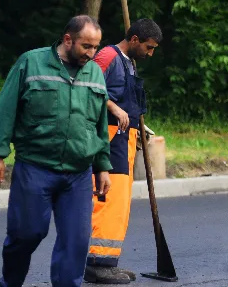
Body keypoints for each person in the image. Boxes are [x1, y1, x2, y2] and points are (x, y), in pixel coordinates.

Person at [0, 15, 112, 287]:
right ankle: (10, 282)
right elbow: (5, 110)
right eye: (86, 46)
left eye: (96, 47)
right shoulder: (31, 63)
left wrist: (103, 166)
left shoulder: (94, 73)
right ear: (68, 39)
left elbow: (99, 123)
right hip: (35, 167)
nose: (92, 54)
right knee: (26, 233)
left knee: (76, 242)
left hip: (78, 174)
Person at [85, 18, 163, 284]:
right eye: (149, 47)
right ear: (134, 40)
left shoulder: (129, 62)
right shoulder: (107, 56)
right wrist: (114, 108)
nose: (150, 53)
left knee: (120, 204)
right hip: (108, 137)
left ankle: (108, 261)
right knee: (108, 200)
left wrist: (140, 129)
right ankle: (97, 263)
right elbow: (87, 87)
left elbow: (126, 99)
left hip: (124, 139)